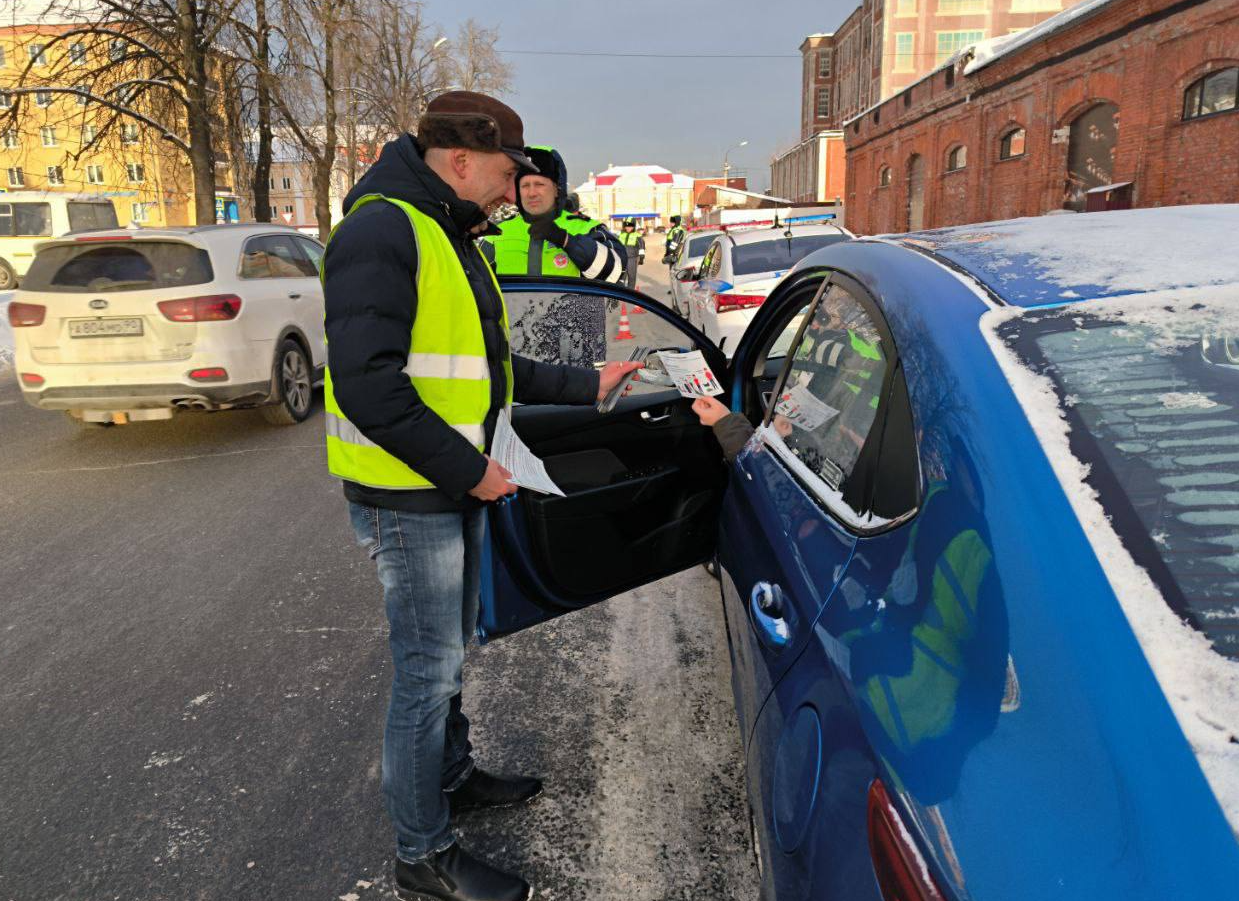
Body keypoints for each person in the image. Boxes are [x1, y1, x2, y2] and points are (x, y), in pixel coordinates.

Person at [322, 90, 641, 901]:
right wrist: (471, 471)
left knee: (448, 656)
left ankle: (452, 775)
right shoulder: (382, 229)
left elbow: (491, 370)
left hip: (440, 487)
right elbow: (367, 384)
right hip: (408, 496)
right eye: (504, 173)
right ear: (460, 159)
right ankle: (420, 853)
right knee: (424, 674)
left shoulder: (446, 232)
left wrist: (589, 383)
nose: (511, 191)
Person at [481, 144, 624, 282]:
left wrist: (566, 240)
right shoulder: (498, 234)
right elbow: (476, 285)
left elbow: (617, 273)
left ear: (557, 189)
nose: (531, 193)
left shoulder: (587, 229)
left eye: (539, 184)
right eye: (525, 185)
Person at [616, 217, 645, 290]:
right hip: (621, 258)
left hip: (632, 259)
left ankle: (630, 292)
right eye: (626, 226)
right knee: (621, 276)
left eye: (630, 226)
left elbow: (642, 248)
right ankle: (620, 292)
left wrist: (641, 258)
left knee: (631, 276)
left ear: (634, 226)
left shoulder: (637, 236)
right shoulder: (621, 234)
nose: (628, 228)